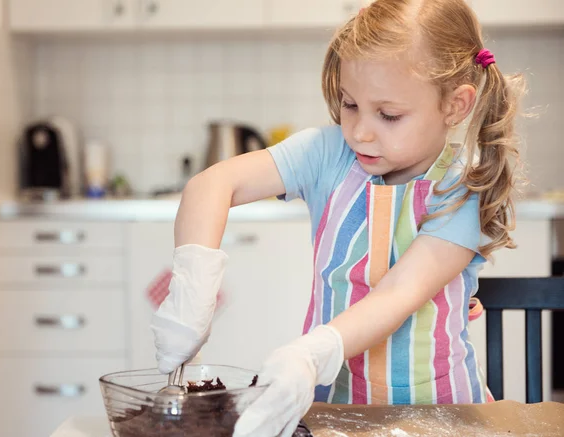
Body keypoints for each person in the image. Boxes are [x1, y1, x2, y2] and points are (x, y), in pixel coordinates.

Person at [151, 0, 525, 435]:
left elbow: (397, 295)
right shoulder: (327, 154)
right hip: (335, 412)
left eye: (389, 115)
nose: (360, 131)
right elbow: (211, 185)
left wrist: (310, 354)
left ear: (455, 106)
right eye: (350, 105)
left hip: (442, 414)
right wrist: (192, 286)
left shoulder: (462, 187)